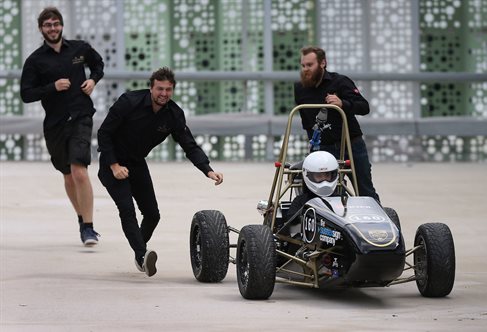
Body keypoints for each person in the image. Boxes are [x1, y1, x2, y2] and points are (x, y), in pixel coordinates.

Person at [97, 67, 224, 277]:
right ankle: (141, 254)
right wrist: (114, 166)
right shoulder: (129, 102)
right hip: (113, 163)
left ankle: (140, 251)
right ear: (151, 87)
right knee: (127, 209)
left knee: (153, 215)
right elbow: (104, 133)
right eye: (159, 89)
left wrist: (208, 170)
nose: (163, 94)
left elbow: (189, 145)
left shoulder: (173, 114)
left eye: (168, 90)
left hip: (137, 163)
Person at [20, 7, 104, 246]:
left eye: (56, 23)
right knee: (68, 176)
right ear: (41, 29)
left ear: (62, 26)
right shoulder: (35, 61)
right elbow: (26, 94)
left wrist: (92, 80)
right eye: (48, 25)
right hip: (55, 124)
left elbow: (98, 65)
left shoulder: (79, 49)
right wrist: (51, 87)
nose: (53, 28)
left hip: (80, 117)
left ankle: (89, 227)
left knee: (79, 170)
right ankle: (81, 219)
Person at [294, 45, 380, 203]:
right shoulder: (300, 88)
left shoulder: (340, 82)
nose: (306, 69)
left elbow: (364, 107)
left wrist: (343, 103)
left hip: (351, 145)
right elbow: (305, 120)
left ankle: (377, 225)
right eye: (303, 65)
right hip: (322, 148)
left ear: (322, 63)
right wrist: (313, 147)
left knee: (365, 190)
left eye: (310, 65)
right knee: (322, 193)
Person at [284, 151, 338, 225]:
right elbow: (291, 224)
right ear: (309, 176)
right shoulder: (300, 201)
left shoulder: (340, 199)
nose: (324, 180)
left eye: (327, 175)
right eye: (319, 176)